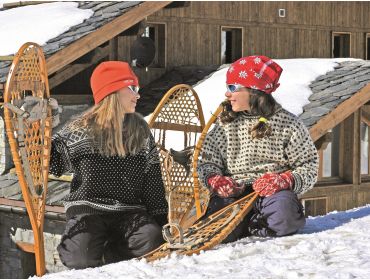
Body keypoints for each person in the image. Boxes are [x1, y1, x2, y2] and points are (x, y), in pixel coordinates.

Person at [50, 61, 168, 269]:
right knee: (81, 258)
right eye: (133, 88)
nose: (138, 95)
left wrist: (160, 219)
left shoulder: (140, 131)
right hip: (88, 210)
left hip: (129, 211)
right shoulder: (79, 129)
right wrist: (39, 131)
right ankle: (90, 248)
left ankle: (109, 254)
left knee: (151, 239)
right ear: (112, 91)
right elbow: (53, 163)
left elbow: (152, 179)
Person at [197, 55, 319, 241]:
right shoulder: (224, 125)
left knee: (284, 216)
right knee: (217, 228)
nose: (227, 94)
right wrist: (216, 180)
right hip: (234, 195)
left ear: (254, 91)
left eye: (233, 88)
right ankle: (243, 225)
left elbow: (309, 165)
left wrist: (285, 180)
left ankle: (257, 225)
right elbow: (207, 162)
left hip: (273, 195)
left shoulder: (288, 124)